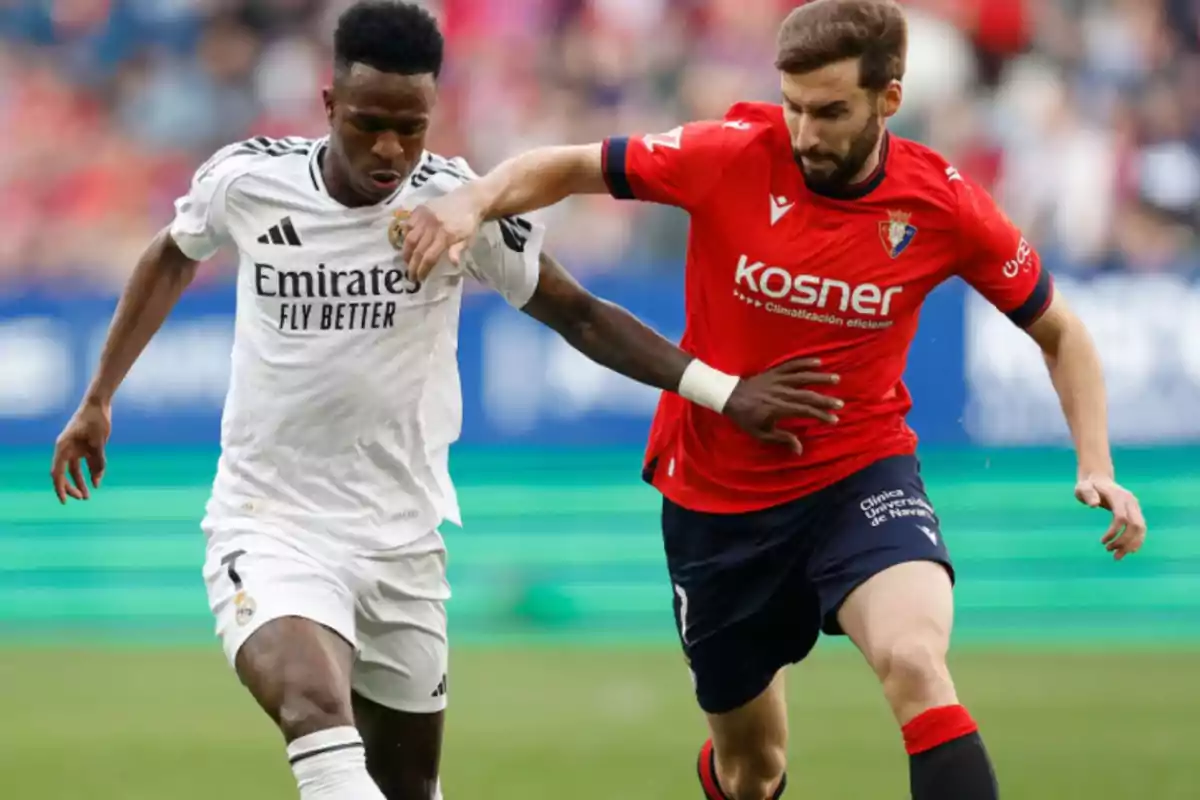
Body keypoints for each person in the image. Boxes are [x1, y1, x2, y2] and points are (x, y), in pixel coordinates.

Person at [46, 3, 845, 799]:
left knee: (408, 785)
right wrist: (97, 397)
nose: (390, 148)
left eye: (411, 126)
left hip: (402, 542)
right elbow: (170, 255)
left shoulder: (458, 205)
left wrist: (719, 390)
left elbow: (579, 312)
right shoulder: (249, 181)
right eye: (367, 124)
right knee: (316, 714)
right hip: (271, 523)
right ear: (328, 105)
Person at [398, 1, 1150, 798]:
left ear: (888, 100)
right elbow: (568, 164)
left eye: (830, 112)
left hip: (861, 474)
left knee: (917, 665)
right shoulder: (729, 154)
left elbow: (1061, 331)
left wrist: (1096, 461)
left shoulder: (945, 204)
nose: (804, 133)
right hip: (717, 503)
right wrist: (474, 199)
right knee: (751, 769)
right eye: (793, 107)